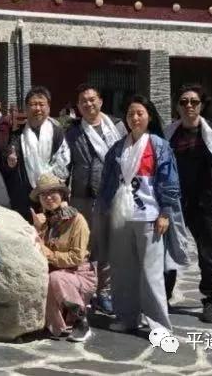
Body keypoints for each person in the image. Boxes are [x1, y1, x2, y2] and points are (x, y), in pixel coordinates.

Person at [97, 95, 189, 333]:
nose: (135, 118)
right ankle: (127, 318)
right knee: (122, 271)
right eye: (130, 114)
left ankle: (158, 324)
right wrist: (103, 209)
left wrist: (165, 213)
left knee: (151, 274)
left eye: (140, 113)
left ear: (149, 117)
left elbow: (169, 182)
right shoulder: (118, 148)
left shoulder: (159, 146)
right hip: (121, 218)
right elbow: (107, 182)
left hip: (149, 217)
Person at [164, 84, 212, 323]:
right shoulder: (170, 133)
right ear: (177, 106)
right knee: (168, 251)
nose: (189, 106)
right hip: (175, 203)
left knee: (207, 253)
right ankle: (163, 296)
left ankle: (211, 300)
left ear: (201, 105)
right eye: (183, 102)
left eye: (193, 101)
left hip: (203, 203)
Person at [65, 84, 126, 315]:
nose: (88, 104)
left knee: (108, 246)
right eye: (83, 101)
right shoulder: (73, 132)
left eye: (92, 99)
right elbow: (64, 163)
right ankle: (85, 290)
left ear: (100, 101)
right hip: (83, 196)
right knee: (84, 246)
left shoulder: (117, 126)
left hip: (112, 195)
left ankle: (105, 291)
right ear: (78, 106)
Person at [30, 174, 95, 342]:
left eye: (52, 193)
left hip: (78, 275)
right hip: (56, 274)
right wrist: (37, 229)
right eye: (43, 195)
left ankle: (81, 322)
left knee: (55, 277)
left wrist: (48, 253)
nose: (48, 198)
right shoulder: (46, 221)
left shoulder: (77, 220)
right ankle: (53, 324)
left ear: (62, 195)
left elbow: (77, 257)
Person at [5, 86, 70, 222]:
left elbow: (64, 163)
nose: (38, 108)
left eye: (41, 104)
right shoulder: (17, 135)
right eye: (33, 104)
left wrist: (47, 186)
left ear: (48, 107)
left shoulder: (57, 133)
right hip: (24, 198)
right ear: (26, 108)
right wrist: (10, 162)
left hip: (51, 197)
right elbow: (9, 163)